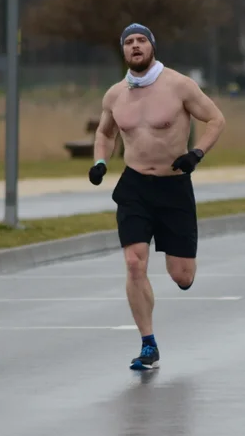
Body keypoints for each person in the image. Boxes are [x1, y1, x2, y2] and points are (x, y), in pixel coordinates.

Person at [89, 23, 227, 371]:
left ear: (152, 46)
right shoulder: (115, 95)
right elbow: (105, 133)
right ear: (123, 50)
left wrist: (196, 153)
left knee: (183, 276)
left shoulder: (178, 85)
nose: (135, 46)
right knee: (134, 263)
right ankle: (148, 343)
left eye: (141, 40)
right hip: (135, 186)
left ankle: (178, 270)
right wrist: (100, 162)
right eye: (129, 42)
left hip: (174, 185)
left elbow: (215, 119)